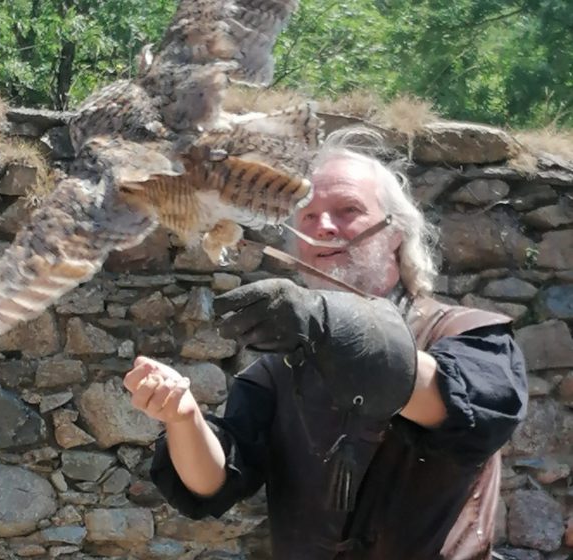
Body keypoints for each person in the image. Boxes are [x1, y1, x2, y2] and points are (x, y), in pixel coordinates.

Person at [122, 130, 528, 559]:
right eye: (308, 215)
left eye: (347, 210)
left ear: (396, 233)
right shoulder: (276, 372)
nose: (325, 227)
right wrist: (184, 418)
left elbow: (471, 416)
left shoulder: (467, 333)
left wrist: (332, 322)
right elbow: (214, 482)